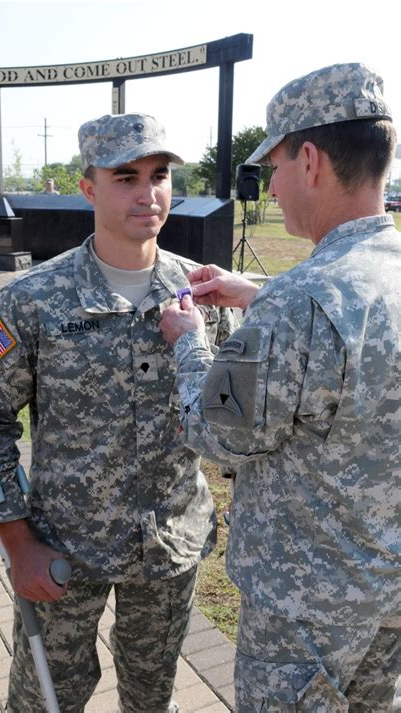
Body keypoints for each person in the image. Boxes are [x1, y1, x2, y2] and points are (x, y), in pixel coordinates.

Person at [0, 113, 235, 713]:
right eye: (125, 176)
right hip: (62, 554)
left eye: (159, 175)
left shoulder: (203, 295)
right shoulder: (31, 300)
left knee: (151, 698)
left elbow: (231, 419)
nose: (147, 192)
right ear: (87, 188)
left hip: (169, 547)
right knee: (43, 701)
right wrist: (16, 540)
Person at [160, 63, 400, 712]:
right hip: (386, 595)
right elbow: (358, 340)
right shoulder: (383, 275)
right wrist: (257, 293)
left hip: (304, 615)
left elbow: (216, 434)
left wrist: (189, 341)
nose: (273, 184)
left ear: (313, 161)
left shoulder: (298, 304)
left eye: (276, 166)